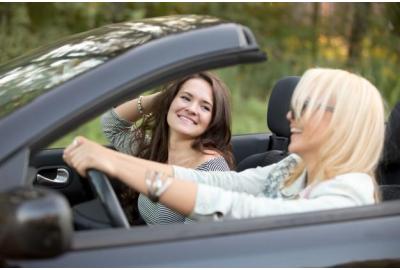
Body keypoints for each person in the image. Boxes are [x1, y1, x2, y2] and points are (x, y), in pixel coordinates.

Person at [63, 68, 385, 222]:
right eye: (184, 98)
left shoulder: (347, 194)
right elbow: (226, 184)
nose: (289, 116)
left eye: (303, 109)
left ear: (342, 121)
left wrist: (121, 165)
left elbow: (239, 209)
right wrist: (113, 160)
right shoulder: (295, 168)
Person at [100, 72, 234, 224]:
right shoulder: (155, 151)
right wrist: (161, 99)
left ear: (213, 120)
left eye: (205, 107)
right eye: (185, 98)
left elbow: (193, 244)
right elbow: (111, 125)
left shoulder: (211, 172)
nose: (192, 109)